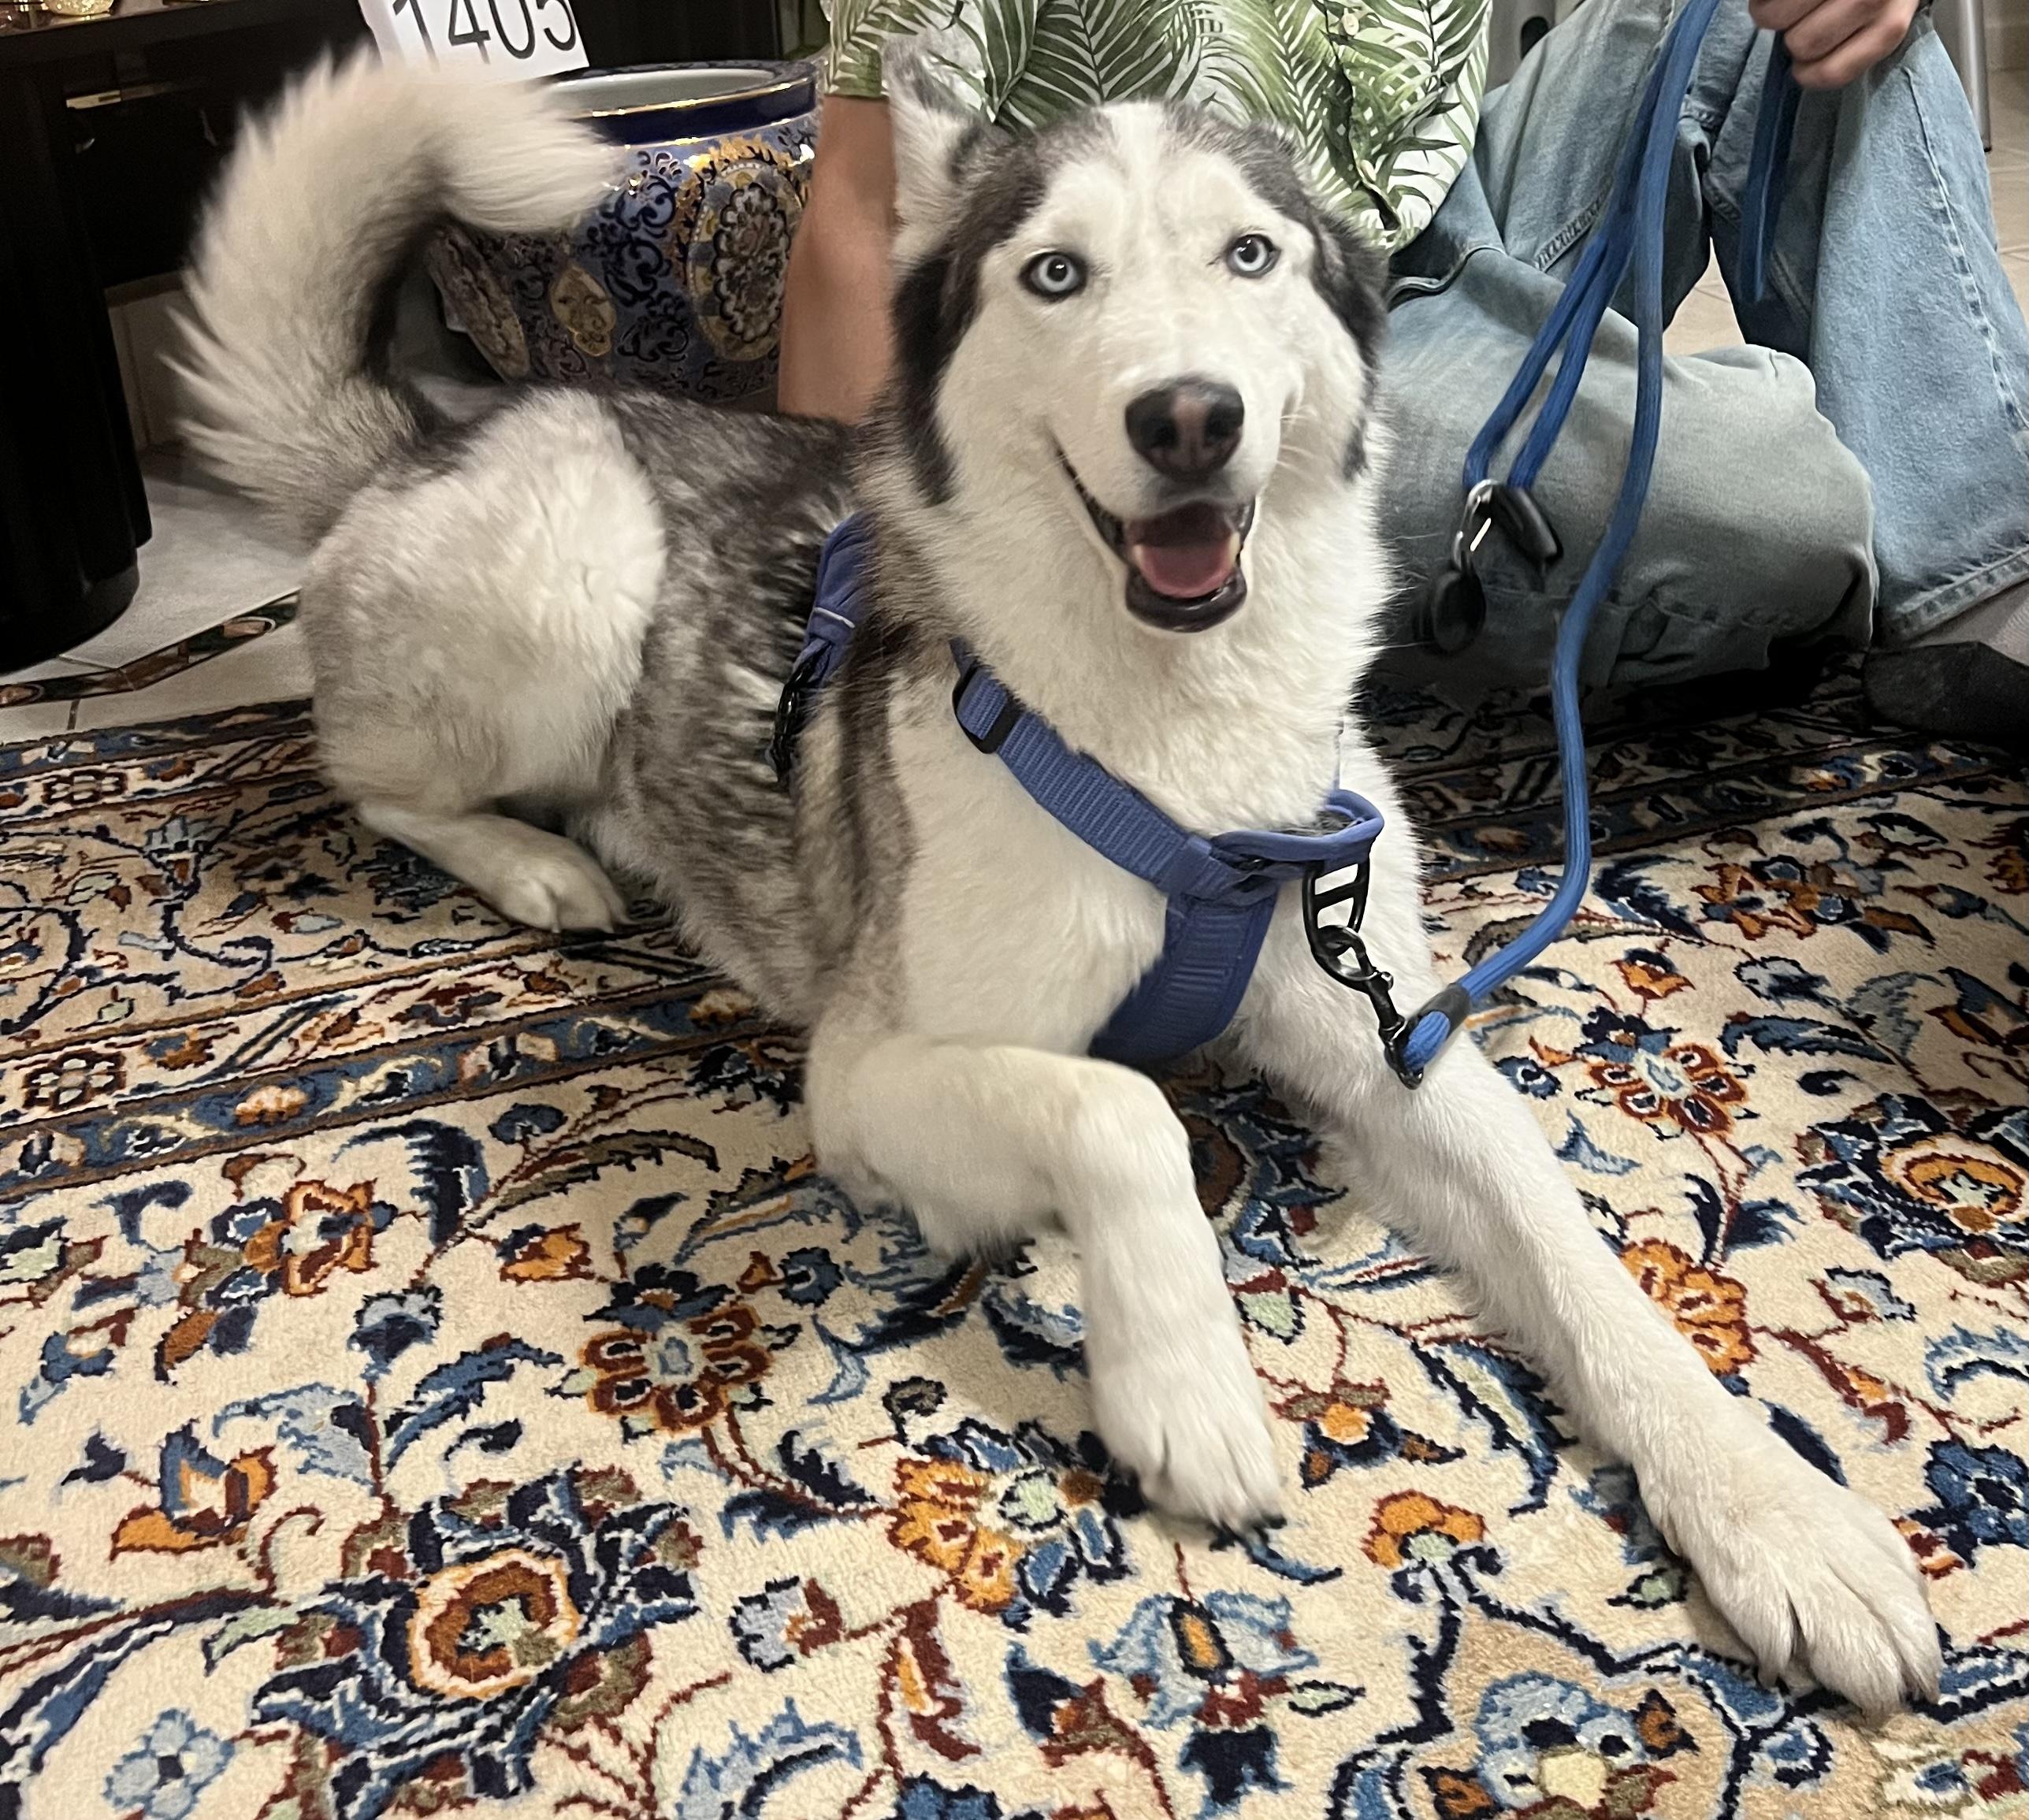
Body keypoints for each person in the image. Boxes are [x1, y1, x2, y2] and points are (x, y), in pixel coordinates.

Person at [779, 0, 2029, 745]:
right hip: (1215, 342)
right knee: (1777, 508)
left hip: (1449, 198)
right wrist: (847, 627)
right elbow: (862, 208)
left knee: (1801, 24)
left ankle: (1993, 602)